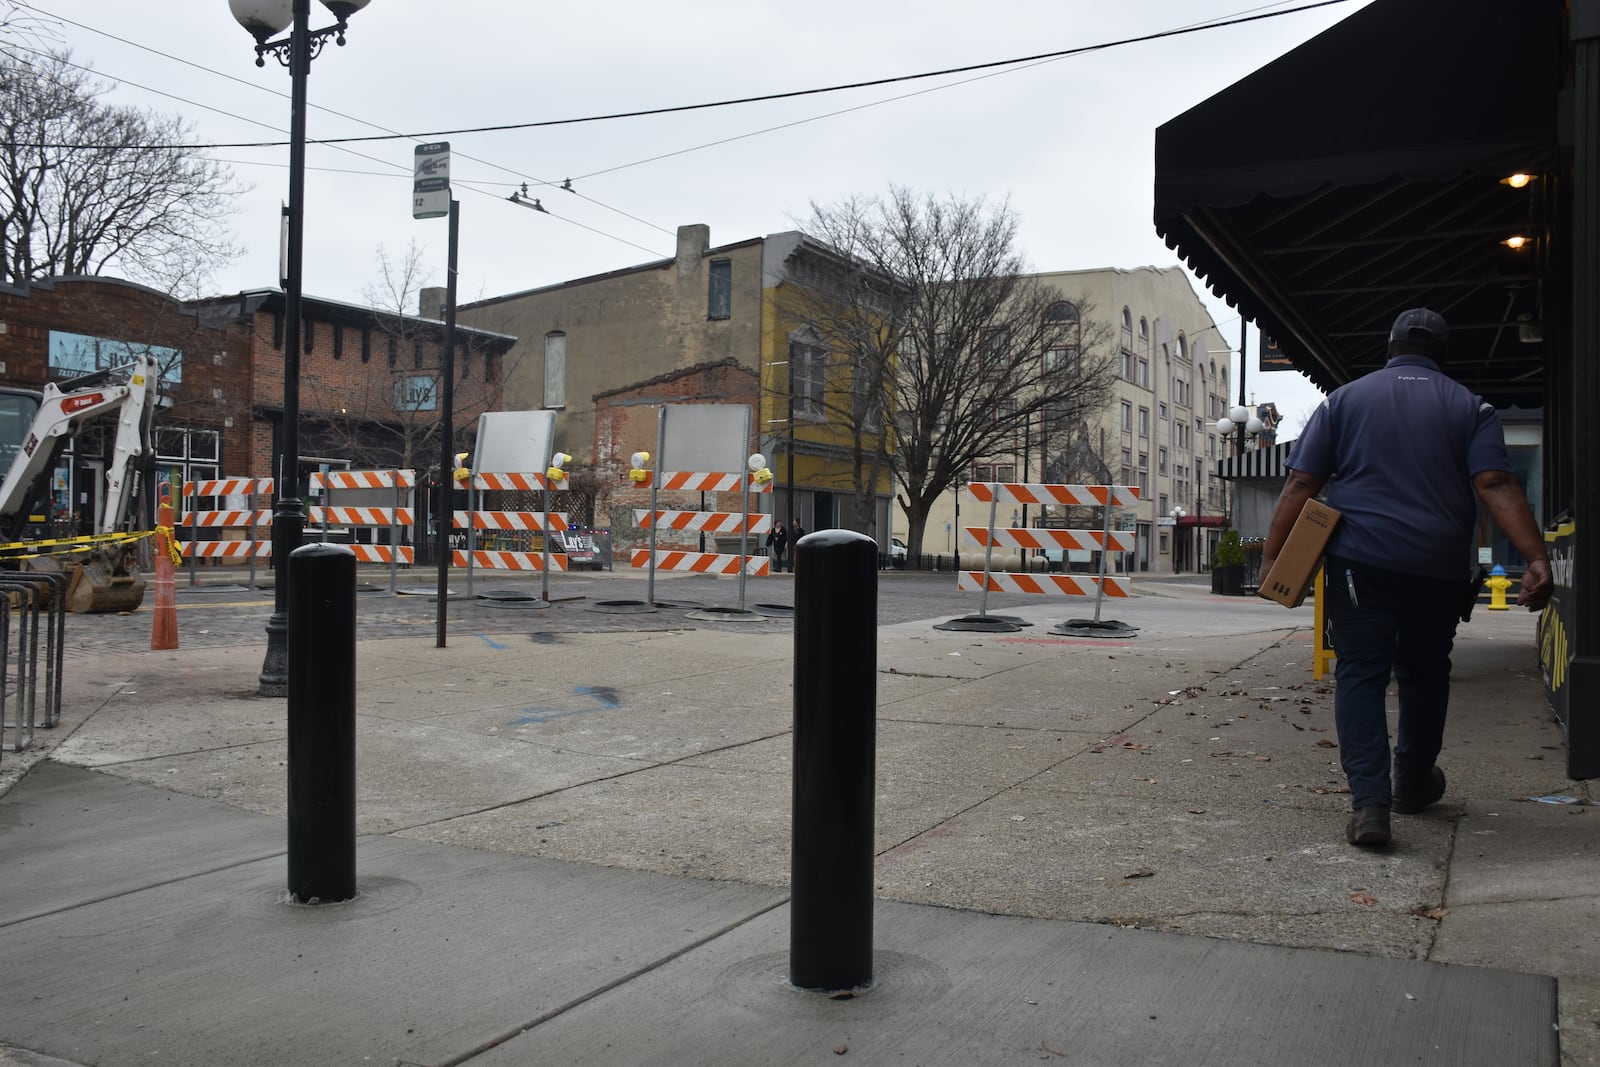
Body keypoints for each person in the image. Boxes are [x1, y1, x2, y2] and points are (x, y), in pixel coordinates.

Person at [1262, 308, 1553, 848]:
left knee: (1361, 674)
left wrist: (1274, 559)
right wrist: (1536, 557)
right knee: (1424, 672)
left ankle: (1370, 806)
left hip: (1359, 562)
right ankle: (1414, 782)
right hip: (1438, 567)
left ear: (1389, 347)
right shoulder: (1473, 407)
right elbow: (1494, 482)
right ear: (1442, 354)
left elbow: (1302, 482)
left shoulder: (1343, 400)